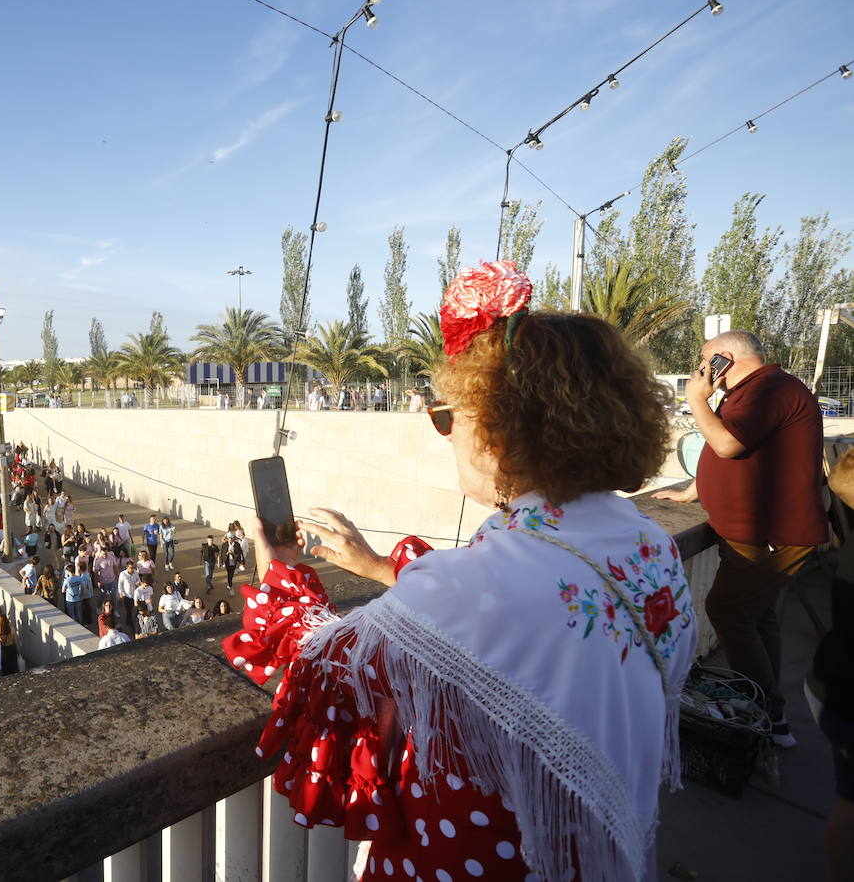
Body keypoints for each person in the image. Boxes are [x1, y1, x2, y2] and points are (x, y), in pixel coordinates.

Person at [224, 261, 695, 882]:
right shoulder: (645, 542)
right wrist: (380, 567)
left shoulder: (477, 586)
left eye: (447, 416)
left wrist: (282, 575)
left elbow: (326, 671)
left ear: (501, 430)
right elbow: (503, 619)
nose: (447, 435)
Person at [656, 329, 826, 748]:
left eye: (705, 359)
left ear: (725, 360)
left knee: (728, 610)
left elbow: (728, 444)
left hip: (772, 532)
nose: (701, 368)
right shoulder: (751, 391)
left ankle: (767, 713)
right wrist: (694, 490)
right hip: (754, 529)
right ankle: (772, 711)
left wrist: (697, 400)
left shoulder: (772, 389)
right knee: (757, 615)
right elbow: (728, 447)